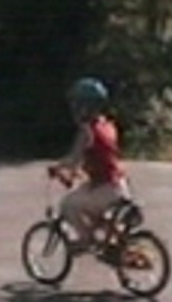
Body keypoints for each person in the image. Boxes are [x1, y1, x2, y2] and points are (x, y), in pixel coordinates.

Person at [47, 77, 130, 253]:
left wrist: (58, 168)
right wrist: (76, 173)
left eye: (77, 104)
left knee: (68, 204)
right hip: (118, 184)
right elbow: (99, 157)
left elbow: (74, 158)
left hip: (105, 189)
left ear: (85, 106)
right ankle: (110, 239)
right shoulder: (106, 125)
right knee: (86, 201)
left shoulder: (87, 132)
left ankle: (87, 239)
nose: (74, 109)